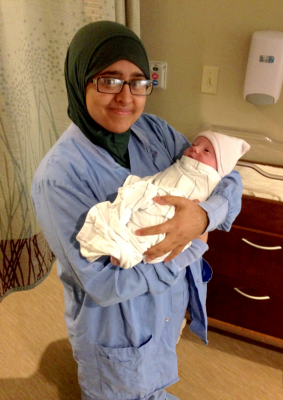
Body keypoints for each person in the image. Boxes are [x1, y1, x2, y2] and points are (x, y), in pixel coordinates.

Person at [31, 20, 243, 400]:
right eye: (109, 80)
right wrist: (191, 244)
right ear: (81, 80)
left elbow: (223, 176)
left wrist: (202, 217)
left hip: (162, 310)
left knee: (153, 377)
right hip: (116, 327)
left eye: (139, 82)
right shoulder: (58, 179)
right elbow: (103, 283)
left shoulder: (152, 130)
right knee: (122, 387)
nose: (126, 97)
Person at [76, 131, 250, 269]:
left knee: (153, 230)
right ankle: (119, 243)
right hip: (154, 198)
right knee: (133, 215)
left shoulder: (157, 129)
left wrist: (205, 215)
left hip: (171, 211)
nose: (195, 149)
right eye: (194, 144)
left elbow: (232, 178)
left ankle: (128, 250)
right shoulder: (66, 169)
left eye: (206, 151)